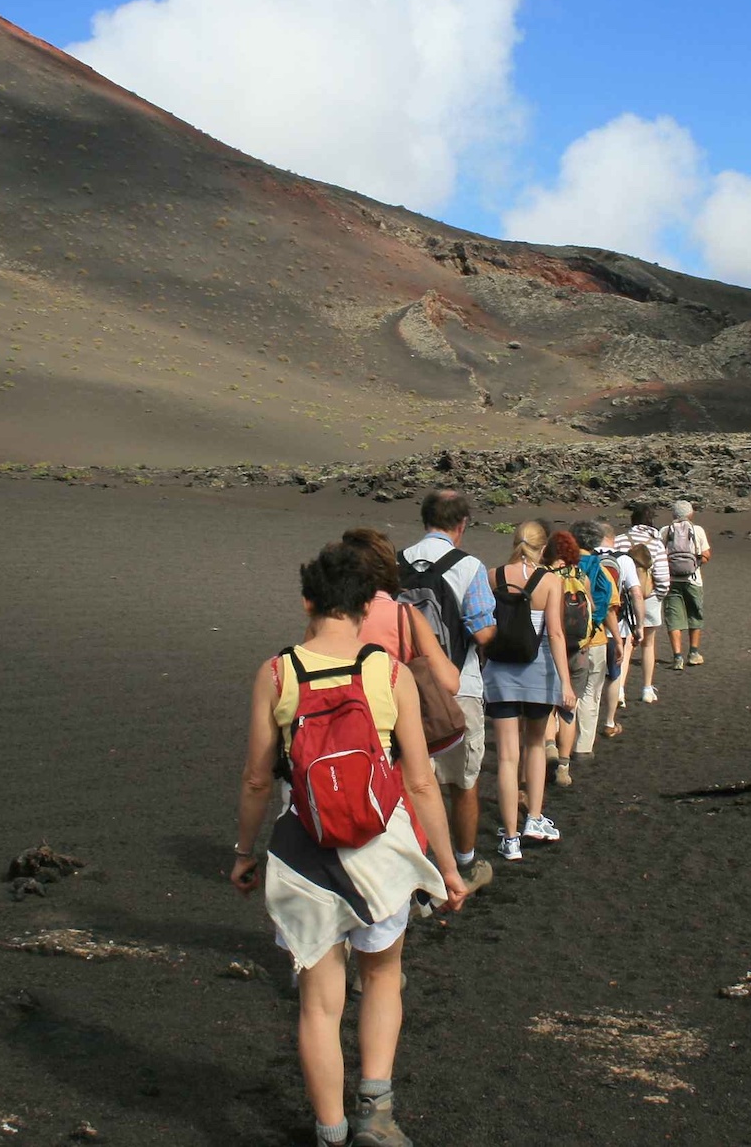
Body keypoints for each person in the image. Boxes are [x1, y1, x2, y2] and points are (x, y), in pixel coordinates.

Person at [233, 542, 469, 1147]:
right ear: (366, 607)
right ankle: (376, 1113)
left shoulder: (277, 673)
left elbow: (258, 778)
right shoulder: (388, 674)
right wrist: (447, 868)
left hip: (304, 849)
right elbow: (420, 781)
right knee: (383, 976)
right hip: (380, 849)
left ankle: (330, 1132)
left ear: (307, 601)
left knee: (319, 1003)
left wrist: (244, 852)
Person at [398, 490, 498, 894]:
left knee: (415, 782)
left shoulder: (396, 563)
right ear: (462, 524)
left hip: (406, 685)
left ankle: (417, 866)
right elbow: (483, 632)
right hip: (459, 686)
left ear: (425, 519)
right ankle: (465, 863)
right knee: (463, 782)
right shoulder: (469, 566)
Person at [480, 520, 576, 861]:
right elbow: (556, 634)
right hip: (539, 669)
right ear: (543, 547)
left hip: (500, 671)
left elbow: (486, 624)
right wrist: (566, 682)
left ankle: (510, 838)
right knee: (535, 745)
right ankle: (534, 817)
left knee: (507, 757)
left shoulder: (493, 576)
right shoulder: (550, 581)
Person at [344, 527, 460, 690]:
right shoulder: (405, 615)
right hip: (391, 701)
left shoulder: (329, 615)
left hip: (340, 702)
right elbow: (449, 682)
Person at [566, 520, 620, 763]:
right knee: (591, 693)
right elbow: (609, 609)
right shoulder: (602, 571)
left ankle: (560, 743)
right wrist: (618, 640)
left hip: (566, 640)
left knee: (565, 692)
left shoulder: (562, 568)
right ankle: (583, 747)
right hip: (595, 638)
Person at [543, 529, 587, 788]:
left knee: (549, 704)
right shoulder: (581, 577)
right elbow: (592, 611)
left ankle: (549, 744)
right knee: (569, 710)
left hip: (551, 648)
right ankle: (564, 767)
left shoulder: (545, 577)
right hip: (578, 650)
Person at [593, 521, 645, 739]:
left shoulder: (585, 557)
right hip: (618, 627)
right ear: (612, 538)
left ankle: (580, 724)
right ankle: (609, 722)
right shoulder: (624, 559)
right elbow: (636, 594)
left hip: (591, 627)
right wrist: (639, 626)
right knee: (613, 676)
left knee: (589, 679)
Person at [622, 504, 670, 702]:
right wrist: (657, 595)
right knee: (648, 644)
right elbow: (663, 577)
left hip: (624, 597)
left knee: (626, 644)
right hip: (648, 597)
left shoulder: (620, 540)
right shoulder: (657, 544)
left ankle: (619, 689)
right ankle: (647, 689)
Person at [661, 500, 713, 668]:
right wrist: (696, 564)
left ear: (673, 514)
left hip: (671, 580)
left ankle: (677, 657)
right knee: (694, 614)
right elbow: (706, 555)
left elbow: (660, 556)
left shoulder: (665, 530)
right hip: (693, 580)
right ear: (691, 514)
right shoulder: (697, 530)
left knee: (673, 618)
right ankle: (693, 653)